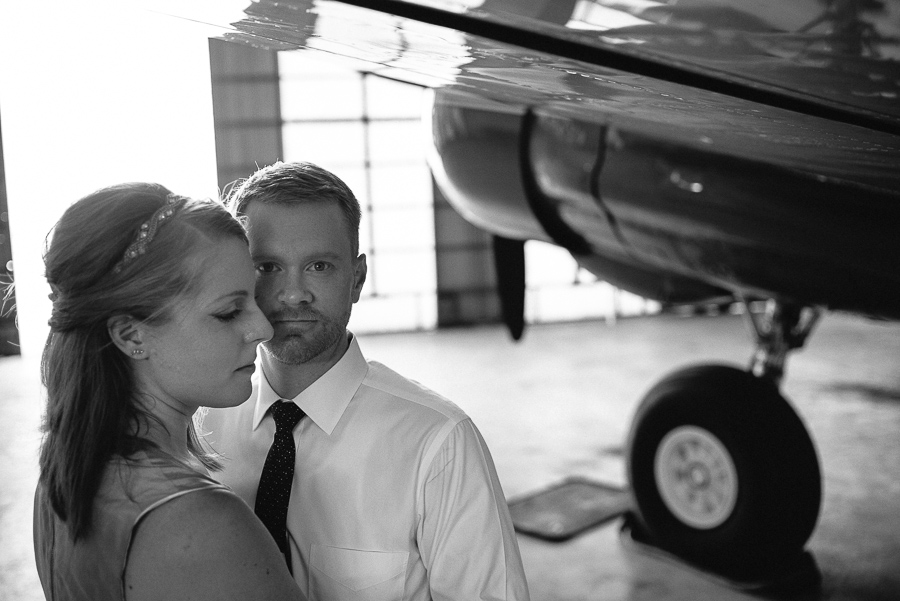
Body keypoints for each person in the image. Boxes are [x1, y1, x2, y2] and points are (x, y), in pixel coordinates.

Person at [201, 161, 531, 601]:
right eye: (268, 267)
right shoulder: (202, 422)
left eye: (319, 266)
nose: (293, 294)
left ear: (356, 279)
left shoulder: (437, 444)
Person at [32, 182, 306, 601]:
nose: (263, 328)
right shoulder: (199, 520)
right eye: (228, 312)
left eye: (253, 298)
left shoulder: (67, 472)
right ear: (131, 335)